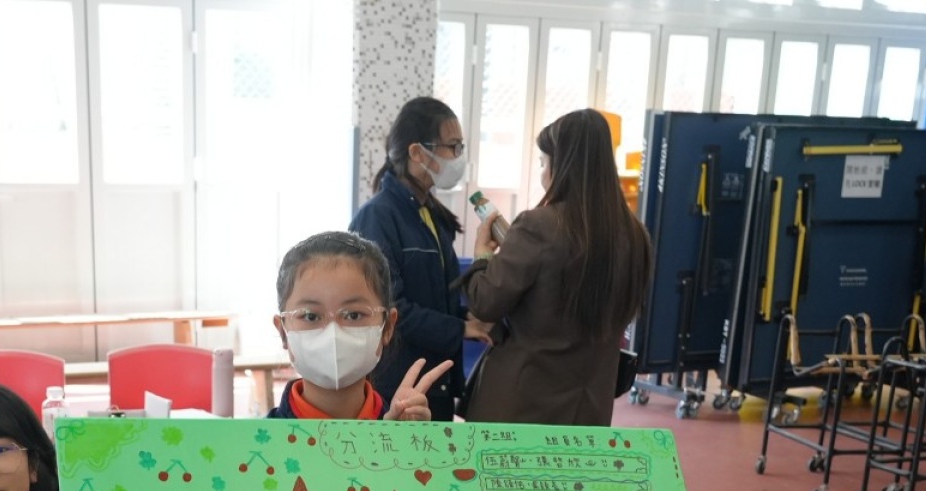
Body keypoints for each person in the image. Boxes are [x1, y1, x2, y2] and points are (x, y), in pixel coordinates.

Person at [462, 108, 653, 426]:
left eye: (543, 162)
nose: (543, 173)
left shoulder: (538, 226)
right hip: (590, 410)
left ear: (562, 165)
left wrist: (483, 256)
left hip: (522, 406)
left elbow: (485, 302)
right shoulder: (635, 235)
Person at [350, 97, 485, 423]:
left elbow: (437, 299)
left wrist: (470, 319)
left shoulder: (430, 214)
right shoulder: (378, 217)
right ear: (416, 152)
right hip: (397, 387)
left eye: (461, 146)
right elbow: (390, 309)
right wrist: (461, 328)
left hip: (435, 382)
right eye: (452, 146)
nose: (458, 157)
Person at [267, 231, 450, 423]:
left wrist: (402, 439)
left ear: (387, 326)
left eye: (353, 315)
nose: (333, 333)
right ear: (283, 332)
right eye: (310, 316)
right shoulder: (258, 439)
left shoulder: (400, 424)